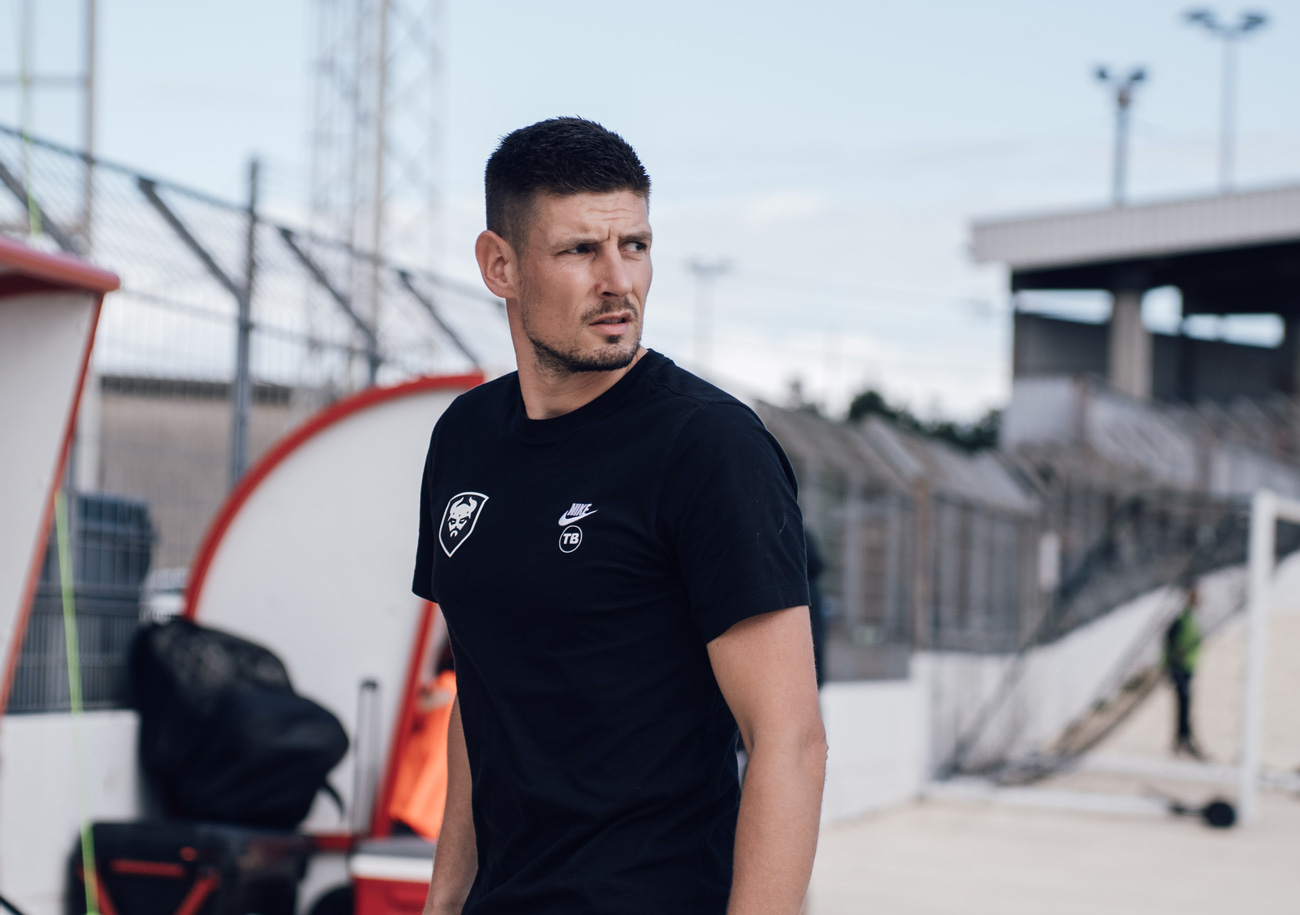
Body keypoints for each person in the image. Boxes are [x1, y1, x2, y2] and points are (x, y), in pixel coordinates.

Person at [411, 117, 826, 915]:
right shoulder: (462, 439)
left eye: (634, 245)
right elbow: (483, 690)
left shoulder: (708, 448)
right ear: (500, 264)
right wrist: (444, 897)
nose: (618, 281)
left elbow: (790, 741)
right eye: (580, 251)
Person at [1164, 585, 1204, 759]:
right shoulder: (1181, 619)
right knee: (1183, 704)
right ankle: (1182, 739)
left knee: (1185, 705)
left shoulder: (1190, 618)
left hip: (1187, 668)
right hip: (1180, 668)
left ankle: (1182, 739)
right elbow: (1169, 643)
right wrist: (1169, 665)